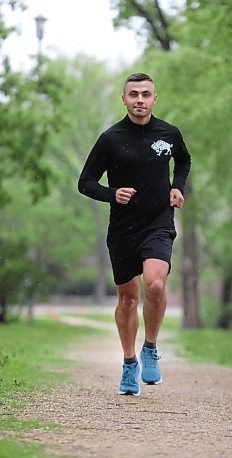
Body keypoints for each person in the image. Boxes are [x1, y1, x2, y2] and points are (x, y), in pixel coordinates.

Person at [78, 73, 191, 396]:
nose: (139, 99)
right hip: (123, 229)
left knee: (155, 283)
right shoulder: (111, 139)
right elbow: (85, 182)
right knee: (128, 299)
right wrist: (112, 194)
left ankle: (150, 348)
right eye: (133, 94)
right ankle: (129, 362)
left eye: (145, 94)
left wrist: (177, 187)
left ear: (155, 99)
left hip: (159, 221)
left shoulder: (169, 133)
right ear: (124, 99)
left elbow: (183, 160)